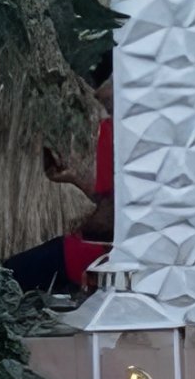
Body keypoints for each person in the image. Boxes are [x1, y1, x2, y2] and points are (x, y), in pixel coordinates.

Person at [6, 57, 114, 296]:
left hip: (96, 256)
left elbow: (107, 216)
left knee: (9, 275)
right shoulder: (115, 133)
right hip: (90, 250)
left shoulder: (112, 132)